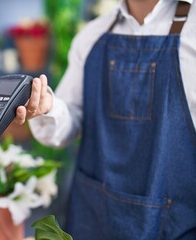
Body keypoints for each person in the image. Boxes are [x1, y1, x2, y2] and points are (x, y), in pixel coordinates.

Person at [14, 0, 196, 239]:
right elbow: (70, 120)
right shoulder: (91, 35)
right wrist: (48, 108)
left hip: (176, 225)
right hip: (95, 218)